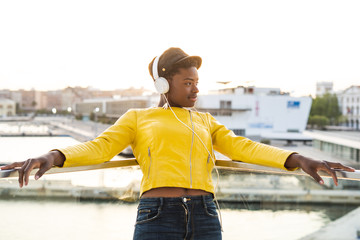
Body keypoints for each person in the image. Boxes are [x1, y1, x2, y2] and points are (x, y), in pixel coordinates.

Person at [1, 47, 355, 240]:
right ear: (162, 84)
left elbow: (245, 148)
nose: (196, 89)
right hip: (157, 217)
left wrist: (297, 158)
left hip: (205, 215)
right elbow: (99, 147)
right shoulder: (138, 119)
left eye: (197, 82)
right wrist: (54, 155)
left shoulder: (205, 121)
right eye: (188, 82)